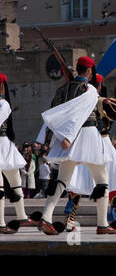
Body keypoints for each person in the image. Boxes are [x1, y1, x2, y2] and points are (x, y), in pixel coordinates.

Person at [37, 56, 116, 235]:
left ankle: (46, 216)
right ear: (89, 71)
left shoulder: (62, 89)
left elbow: (54, 114)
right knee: (102, 179)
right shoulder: (90, 90)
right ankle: (102, 223)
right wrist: (68, 135)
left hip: (67, 139)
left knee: (62, 180)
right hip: (87, 136)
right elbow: (79, 115)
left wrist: (56, 137)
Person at [64, 74, 116, 231]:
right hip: (100, 142)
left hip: (85, 141)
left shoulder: (78, 101)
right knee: (113, 179)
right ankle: (114, 218)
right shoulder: (99, 101)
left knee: (79, 180)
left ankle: (70, 217)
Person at [0, 73, 40, 234]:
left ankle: (21, 215)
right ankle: (1, 222)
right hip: (3, 145)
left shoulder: (3, 104)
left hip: (4, 145)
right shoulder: (4, 103)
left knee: (15, 181)